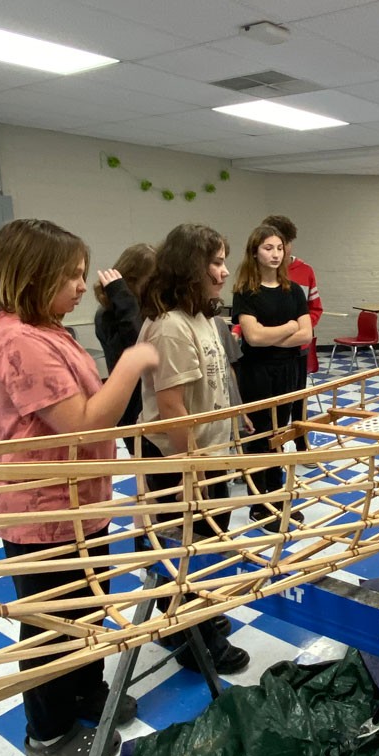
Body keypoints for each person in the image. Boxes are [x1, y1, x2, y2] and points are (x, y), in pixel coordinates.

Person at [0, 219, 158, 756]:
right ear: (33, 276)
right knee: (51, 625)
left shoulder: (49, 331)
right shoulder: (20, 343)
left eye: (83, 274)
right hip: (44, 512)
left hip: (80, 506)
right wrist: (130, 362)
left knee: (86, 609)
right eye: (71, 275)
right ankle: (49, 730)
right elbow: (86, 423)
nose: (82, 285)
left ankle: (86, 693)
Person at [137, 223, 250, 675]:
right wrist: (193, 469)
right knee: (187, 548)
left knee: (205, 545)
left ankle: (192, 616)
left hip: (210, 454)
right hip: (180, 459)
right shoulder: (169, 327)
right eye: (216, 263)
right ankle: (191, 638)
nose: (224, 272)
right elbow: (171, 406)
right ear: (190, 267)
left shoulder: (201, 316)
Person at [231, 224, 312, 527]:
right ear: (255, 252)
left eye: (279, 248)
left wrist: (276, 334)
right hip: (257, 372)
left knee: (281, 433)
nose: (275, 254)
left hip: (288, 370)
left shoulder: (295, 291)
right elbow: (253, 338)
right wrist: (289, 328)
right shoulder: (245, 293)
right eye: (268, 248)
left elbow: (306, 333)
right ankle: (258, 500)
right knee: (260, 435)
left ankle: (277, 494)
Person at [262, 214, 322, 453]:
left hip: (297, 352)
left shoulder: (305, 271)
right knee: (268, 404)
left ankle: (301, 443)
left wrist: (300, 328)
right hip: (266, 354)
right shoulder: (256, 273)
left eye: (283, 244)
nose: (279, 251)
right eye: (271, 246)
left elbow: (315, 308)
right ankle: (268, 449)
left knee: (298, 400)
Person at [93, 243, 156, 450]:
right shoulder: (109, 315)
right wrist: (123, 299)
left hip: (152, 405)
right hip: (132, 409)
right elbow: (138, 346)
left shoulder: (146, 308)